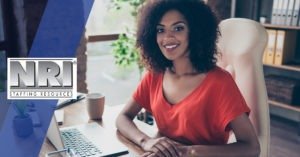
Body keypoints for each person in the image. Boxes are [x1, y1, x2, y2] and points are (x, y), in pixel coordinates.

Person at [116, 0, 260, 156]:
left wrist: (189, 151)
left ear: (195, 32)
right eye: (160, 30)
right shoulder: (155, 75)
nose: (167, 37)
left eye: (178, 28)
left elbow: (252, 147)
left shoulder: (219, 82)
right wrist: (146, 141)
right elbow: (122, 118)